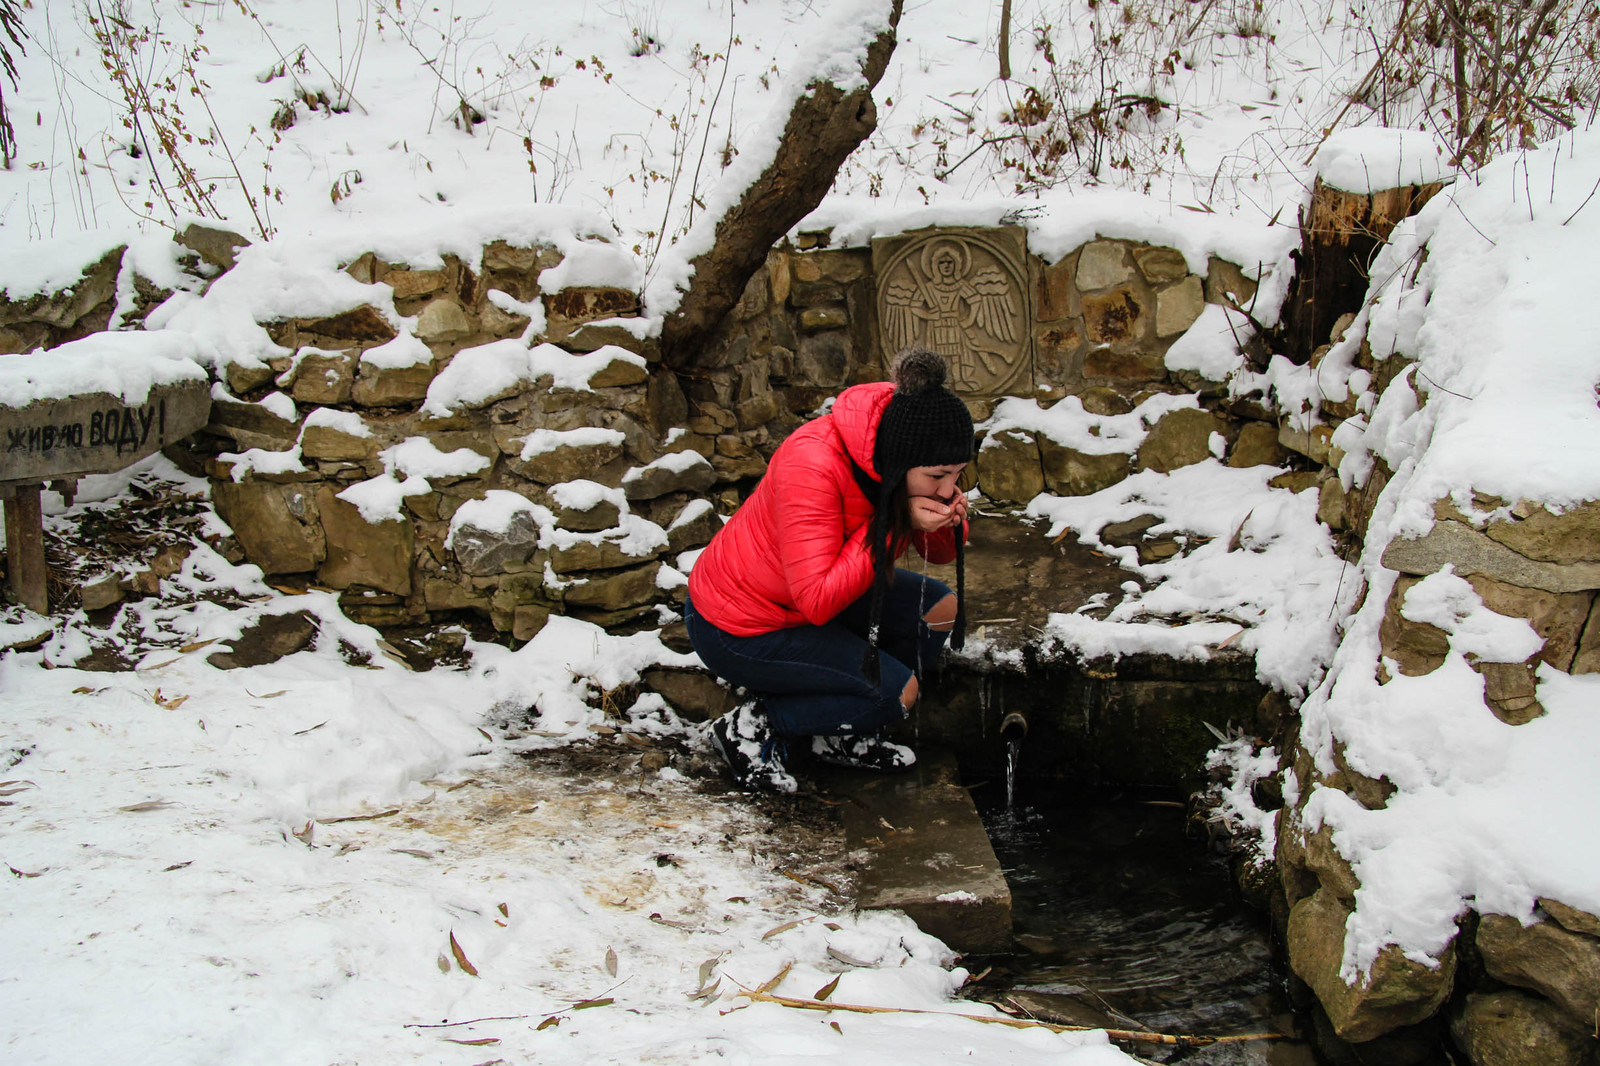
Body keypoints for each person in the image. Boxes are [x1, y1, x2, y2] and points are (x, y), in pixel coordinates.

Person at [684, 347, 974, 792]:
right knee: (898, 692)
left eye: (957, 474)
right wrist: (893, 520)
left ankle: (836, 736)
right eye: (938, 476)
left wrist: (943, 518)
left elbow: (936, 554)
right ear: (900, 463)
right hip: (742, 626)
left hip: (818, 598)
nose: (948, 487)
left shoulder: (901, 443)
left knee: (938, 610)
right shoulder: (812, 464)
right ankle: (752, 727)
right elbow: (817, 601)